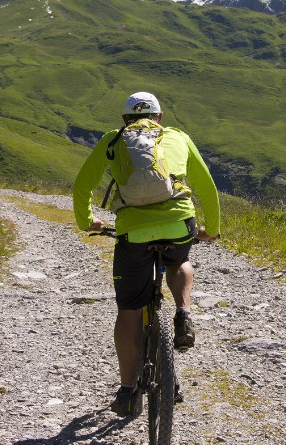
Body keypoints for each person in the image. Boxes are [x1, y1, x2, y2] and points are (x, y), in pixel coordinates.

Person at [72, 91, 221, 417]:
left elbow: (82, 186)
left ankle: (127, 391)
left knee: (129, 311)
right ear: (159, 118)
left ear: (126, 120)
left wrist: (88, 222)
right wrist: (211, 228)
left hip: (133, 234)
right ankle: (183, 313)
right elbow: (207, 186)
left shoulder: (114, 140)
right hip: (179, 225)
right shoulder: (178, 137)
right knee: (180, 261)